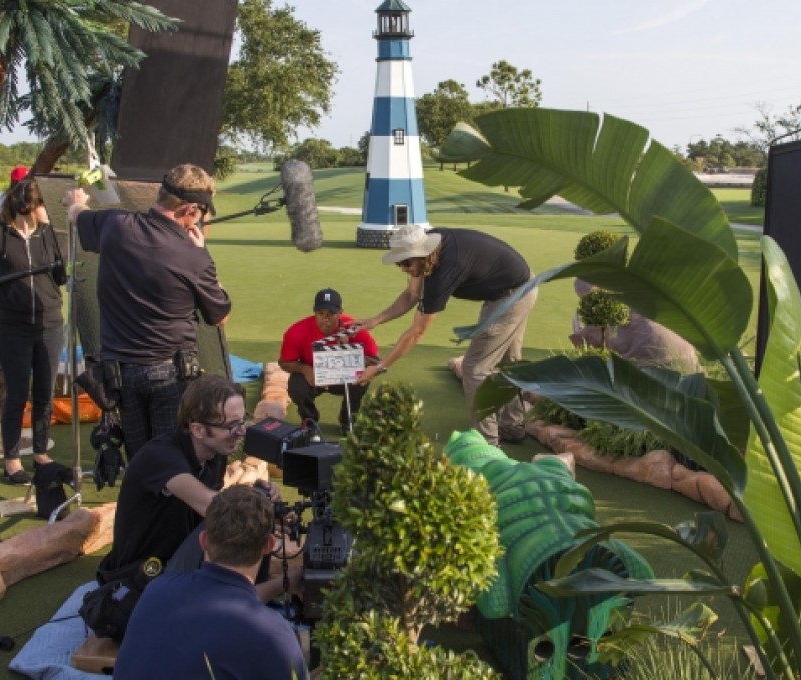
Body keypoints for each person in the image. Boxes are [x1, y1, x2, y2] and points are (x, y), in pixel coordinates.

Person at [64, 164, 231, 458]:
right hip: (170, 376)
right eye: (203, 212)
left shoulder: (115, 225)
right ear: (190, 209)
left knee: (140, 463)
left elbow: (76, 215)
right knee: (172, 463)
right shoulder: (194, 258)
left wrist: (78, 201)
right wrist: (202, 253)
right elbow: (219, 316)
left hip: (121, 376)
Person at [355, 225, 537, 446]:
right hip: (516, 285)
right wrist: (375, 320)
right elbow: (412, 294)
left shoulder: (444, 272)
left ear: (421, 255)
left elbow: (416, 332)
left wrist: (381, 366)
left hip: (512, 296)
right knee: (509, 361)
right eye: (398, 262)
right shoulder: (428, 245)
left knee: (475, 367)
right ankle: (512, 425)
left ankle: (488, 444)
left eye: (405, 262)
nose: (403, 268)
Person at [114, 485, 308, 680]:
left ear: (204, 541)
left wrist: (280, 584)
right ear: (269, 545)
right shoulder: (273, 634)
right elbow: (233, 608)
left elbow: (223, 602)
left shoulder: (157, 590)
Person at [96, 374, 278, 580]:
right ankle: (251, 597)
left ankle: (252, 593)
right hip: (141, 572)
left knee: (253, 505)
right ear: (198, 430)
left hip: (177, 556)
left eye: (242, 421)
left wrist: (259, 495)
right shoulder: (161, 455)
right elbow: (214, 508)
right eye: (231, 426)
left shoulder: (214, 453)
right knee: (241, 516)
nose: (241, 432)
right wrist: (257, 500)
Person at [0, 175, 65, 484]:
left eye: (38, 206)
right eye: (32, 206)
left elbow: (60, 277)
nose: (34, 211)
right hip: (13, 329)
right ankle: (12, 461)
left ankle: (40, 453)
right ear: (20, 205)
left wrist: (50, 229)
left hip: (50, 325)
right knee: (17, 394)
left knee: (45, 394)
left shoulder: (50, 235)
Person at [278, 288, 380, 434]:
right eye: (321, 314)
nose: (325, 319)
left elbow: (376, 361)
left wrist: (349, 352)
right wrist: (305, 370)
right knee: (296, 385)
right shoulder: (297, 332)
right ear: (314, 313)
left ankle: (347, 420)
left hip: (343, 378)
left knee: (363, 377)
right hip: (314, 377)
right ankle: (310, 420)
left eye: (331, 314)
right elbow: (284, 362)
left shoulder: (354, 329)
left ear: (340, 313)